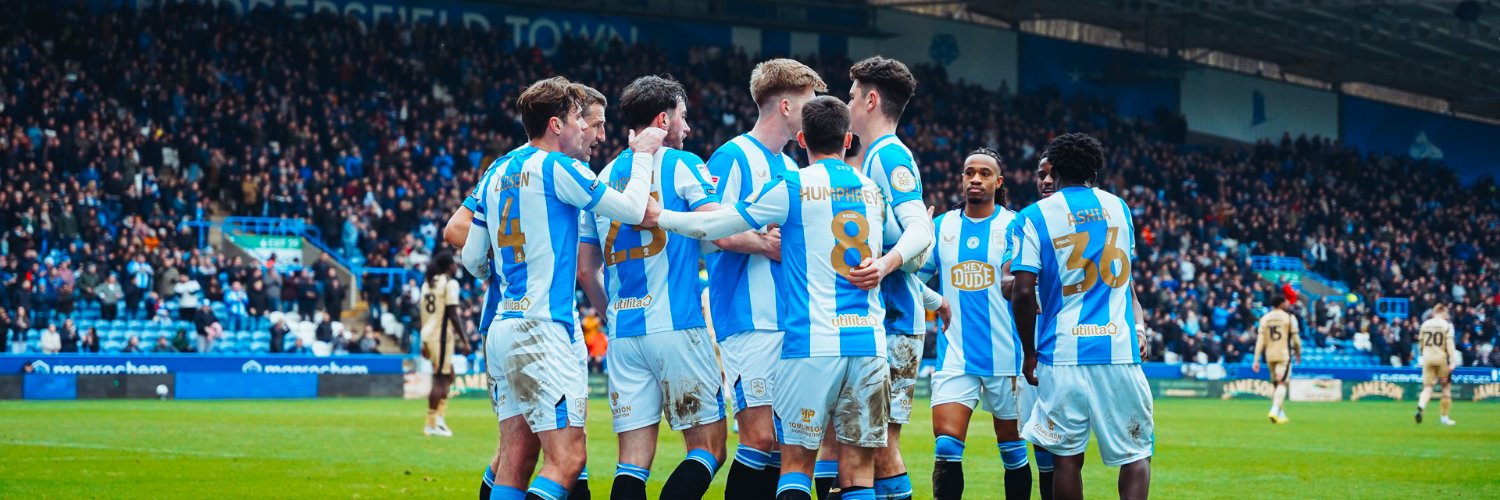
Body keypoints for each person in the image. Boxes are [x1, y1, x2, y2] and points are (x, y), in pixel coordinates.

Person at [654, 95, 897, 500]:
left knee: (796, 463)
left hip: (810, 341)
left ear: (801, 140)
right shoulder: (873, 191)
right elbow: (906, 247)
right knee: (856, 468)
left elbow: (720, 223)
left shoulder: (792, 184)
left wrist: (660, 217)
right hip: (868, 342)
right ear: (848, 138)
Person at [459, 76, 662, 500]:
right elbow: (630, 208)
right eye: (577, 120)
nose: (585, 130)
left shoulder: (497, 170)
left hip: (503, 324)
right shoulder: (560, 167)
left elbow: (473, 258)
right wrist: (641, 156)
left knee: (514, 462)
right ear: (556, 124)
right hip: (543, 328)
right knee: (568, 460)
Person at [575, 75, 732, 500]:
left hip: (625, 333)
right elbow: (716, 228)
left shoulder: (602, 175)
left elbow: (586, 271)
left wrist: (613, 314)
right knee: (709, 447)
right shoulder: (683, 164)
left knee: (632, 462)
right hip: (677, 324)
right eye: (683, 117)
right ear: (663, 119)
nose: (688, 128)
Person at [700, 58, 825, 499]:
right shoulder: (732, 156)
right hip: (746, 318)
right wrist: (762, 242)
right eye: (810, 101)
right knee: (757, 437)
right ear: (787, 106)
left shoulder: (791, 169)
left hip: (787, 319)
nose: (815, 111)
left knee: (781, 441)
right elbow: (709, 229)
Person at [1010, 133, 1153, 500]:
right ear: (1095, 170)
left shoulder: (1033, 216)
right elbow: (1126, 282)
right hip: (1118, 350)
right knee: (1135, 453)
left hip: (1063, 354)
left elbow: (1023, 292)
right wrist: (1139, 327)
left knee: (1067, 459)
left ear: (1053, 170)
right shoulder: (1120, 209)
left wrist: (1029, 351)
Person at [840, 56, 935, 500]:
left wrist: (888, 262)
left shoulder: (891, 155)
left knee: (879, 446)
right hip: (884, 317)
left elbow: (921, 228)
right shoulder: (874, 156)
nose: (847, 103)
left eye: (853, 95)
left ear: (871, 99)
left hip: (894, 320)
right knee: (861, 441)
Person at [917, 148, 1030, 500]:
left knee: (1013, 453)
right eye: (969, 172)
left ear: (999, 182)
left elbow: (1022, 284)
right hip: (956, 357)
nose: (975, 179)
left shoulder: (1014, 225)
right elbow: (912, 278)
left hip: (1008, 358)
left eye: (984, 173)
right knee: (947, 448)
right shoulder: (942, 227)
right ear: (961, 178)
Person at [419, 251, 468, 437]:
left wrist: (423, 343)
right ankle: (432, 424)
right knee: (441, 378)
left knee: (448, 376)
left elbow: (423, 315)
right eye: (455, 264)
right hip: (439, 336)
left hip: (429, 335)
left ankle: (438, 420)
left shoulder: (427, 284)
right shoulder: (449, 283)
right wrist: (464, 340)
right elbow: (453, 313)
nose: (456, 267)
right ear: (449, 266)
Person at [1251, 296, 1301, 423]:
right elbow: (1296, 339)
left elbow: (1260, 341)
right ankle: (1274, 410)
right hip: (1284, 355)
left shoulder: (1265, 318)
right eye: (1286, 302)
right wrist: (1298, 353)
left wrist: (1256, 359)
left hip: (1270, 355)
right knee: (1282, 383)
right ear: (1281, 304)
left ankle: (1281, 414)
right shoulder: (1289, 318)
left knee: (1275, 384)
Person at [1415, 305, 1460, 426]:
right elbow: (1449, 344)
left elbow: (1420, 343)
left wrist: (1422, 356)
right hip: (1442, 360)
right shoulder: (1447, 325)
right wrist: (1453, 360)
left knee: (1428, 387)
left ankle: (1421, 406)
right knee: (1446, 388)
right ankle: (1444, 418)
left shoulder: (1425, 324)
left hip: (1428, 359)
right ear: (1443, 312)